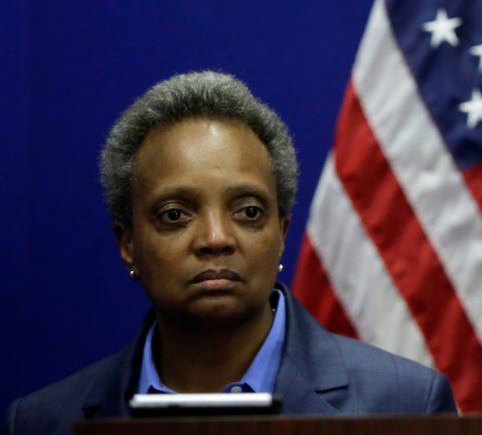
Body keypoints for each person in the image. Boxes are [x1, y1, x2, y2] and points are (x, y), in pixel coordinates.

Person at [4, 71, 457, 435]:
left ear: (281, 234)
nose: (216, 238)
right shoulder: (44, 421)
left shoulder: (405, 406)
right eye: (175, 214)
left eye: (249, 211)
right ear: (128, 245)